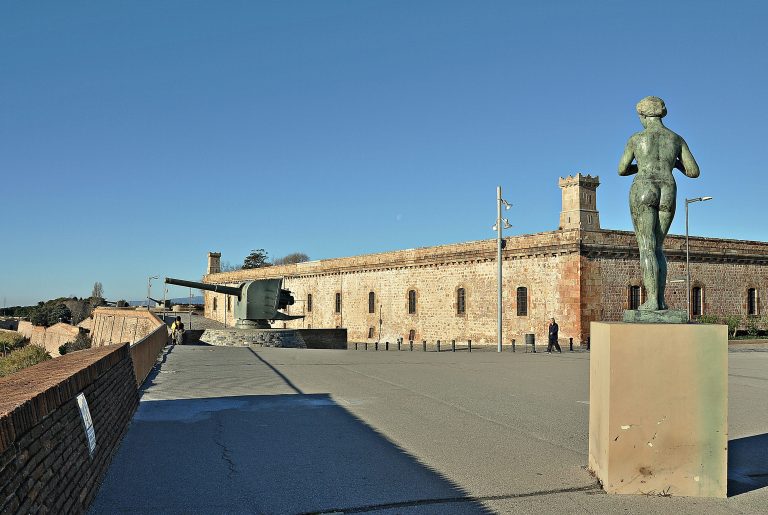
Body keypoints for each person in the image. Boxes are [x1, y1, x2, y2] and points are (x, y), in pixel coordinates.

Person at [618, 96, 700, 311]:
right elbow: (693, 171)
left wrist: (642, 166)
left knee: (646, 247)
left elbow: (622, 169)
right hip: (668, 188)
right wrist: (671, 164)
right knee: (658, 247)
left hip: (643, 186)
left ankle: (653, 301)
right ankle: (660, 300)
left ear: (643, 115)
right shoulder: (676, 139)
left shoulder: (636, 139)